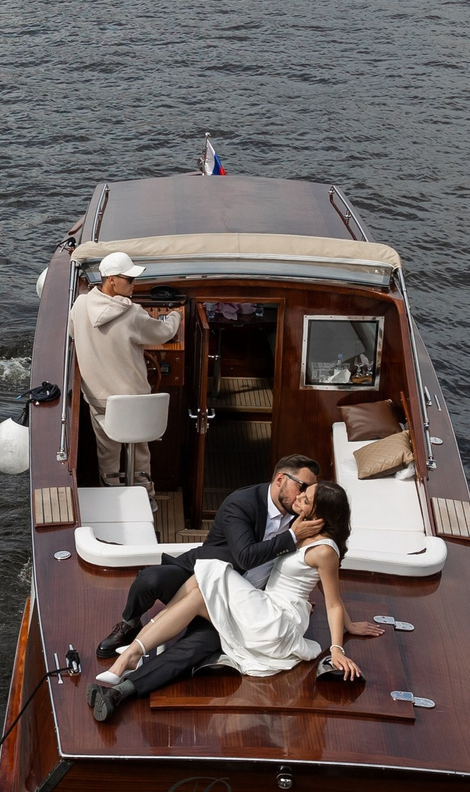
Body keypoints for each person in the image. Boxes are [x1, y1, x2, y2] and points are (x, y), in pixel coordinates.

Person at [87, 481, 366, 722]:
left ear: (321, 514)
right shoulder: (298, 526)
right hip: (260, 606)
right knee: (197, 587)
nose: (299, 497)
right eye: (302, 492)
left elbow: (332, 600)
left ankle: (131, 660)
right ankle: (131, 657)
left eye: (306, 499)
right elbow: (318, 585)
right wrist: (349, 623)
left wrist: (337, 648)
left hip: (276, 621)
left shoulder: (324, 551)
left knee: (211, 574)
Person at [92, 455, 324, 660]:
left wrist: (305, 601)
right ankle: (130, 623)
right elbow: (245, 557)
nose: (304, 496)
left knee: (197, 646)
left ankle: (146, 662)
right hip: (201, 572)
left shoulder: (303, 516)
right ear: (281, 479)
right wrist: (292, 536)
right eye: (302, 487)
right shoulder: (243, 502)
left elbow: (320, 560)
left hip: (242, 597)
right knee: (149, 579)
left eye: (310, 491)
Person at [68, 250, 178, 486]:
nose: (134, 284)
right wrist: (174, 317)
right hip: (133, 402)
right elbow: (164, 333)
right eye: (129, 279)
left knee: (107, 455)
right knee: (140, 453)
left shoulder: (80, 304)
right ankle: (145, 493)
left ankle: (111, 490)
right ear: (111, 280)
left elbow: (72, 332)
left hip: (99, 401)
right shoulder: (133, 313)